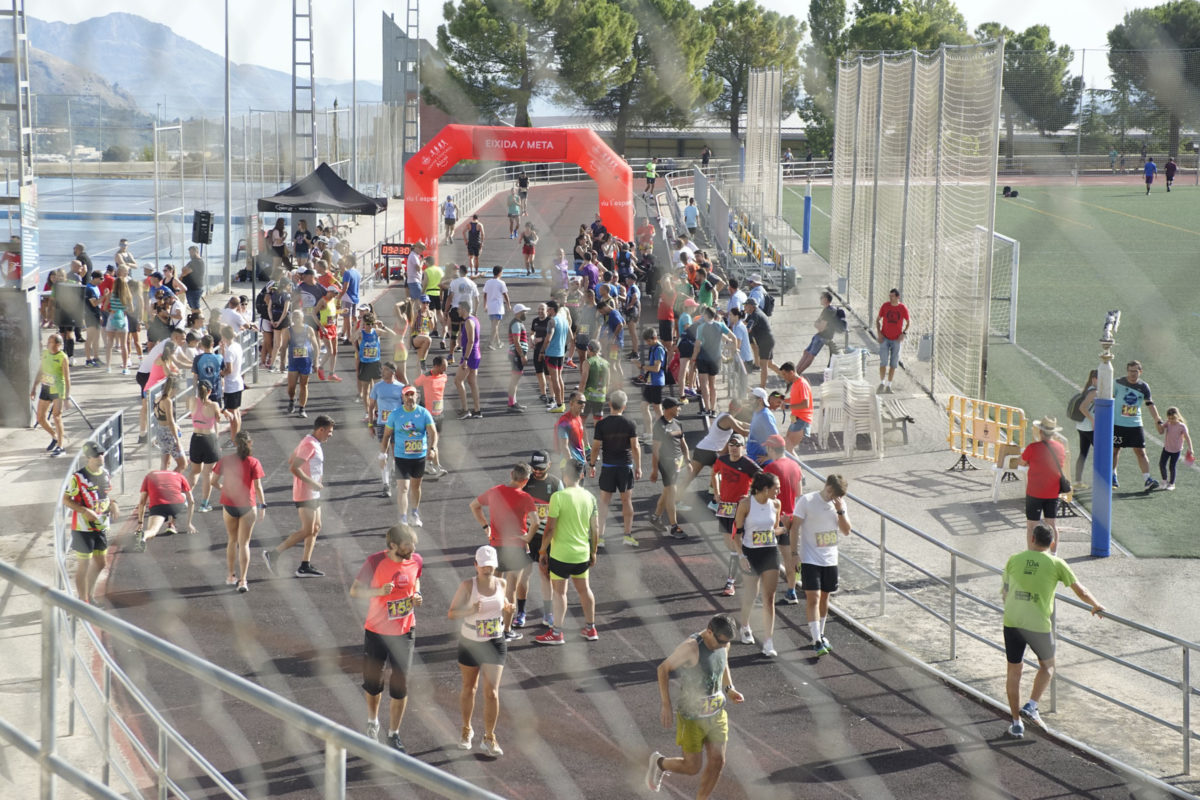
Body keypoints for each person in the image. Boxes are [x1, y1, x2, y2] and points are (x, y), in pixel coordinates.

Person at [1002, 523, 1104, 739]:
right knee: (1048, 666)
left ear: (1032, 539)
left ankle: (1016, 723)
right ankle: (1031, 706)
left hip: (1012, 621)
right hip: (1038, 624)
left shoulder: (1014, 559)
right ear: (1052, 543)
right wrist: (1096, 605)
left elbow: (1005, 592)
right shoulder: (1057, 563)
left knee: (1014, 672)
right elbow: (1081, 590)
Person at [646, 613, 744, 798]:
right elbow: (663, 669)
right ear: (709, 632)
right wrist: (666, 705)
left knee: (718, 761)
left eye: (726, 643)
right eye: (721, 642)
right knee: (692, 767)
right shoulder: (691, 648)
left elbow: (723, 663)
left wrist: (730, 689)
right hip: (692, 717)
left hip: (716, 713)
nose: (724, 646)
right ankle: (659, 763)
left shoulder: (724, 641)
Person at [349, 523, 423, 753]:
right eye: (407, 545)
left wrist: (417, 594)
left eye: (413, 545)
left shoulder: (416, 560)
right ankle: (372, 723)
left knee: (400, 685)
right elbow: (354, 591)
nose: (412, 549)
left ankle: (394, 734)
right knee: (373, 684)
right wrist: (378, 592)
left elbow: (416, 579)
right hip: (377, 631)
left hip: (404, 631)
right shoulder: (374, 562)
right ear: (393, 545)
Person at [447, 545, 512, 757]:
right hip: (471, 641)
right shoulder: (468, 586)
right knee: (469, 688)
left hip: (494, 641)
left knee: (492, 692)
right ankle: (466, 729)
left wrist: (510, 609)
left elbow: (506, 606)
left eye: (490, 566)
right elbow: (452, 613)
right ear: (476, 565)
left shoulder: (502, 583)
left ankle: (489, 736)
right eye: (483, 566)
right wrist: (471, 610)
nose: (487, 569)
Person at [534, 460, 601, 645]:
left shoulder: (559, 497)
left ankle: (556, 632)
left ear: (565, 475)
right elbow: (595, 528)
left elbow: (549, 528)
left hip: (561, 554)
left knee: (559, 593)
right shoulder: (590, 497)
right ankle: (590, 628)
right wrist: (593, 551)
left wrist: (541, 551)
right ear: (582, 475)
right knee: (584, 590)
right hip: (582, 554)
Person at [470, 464, 539, 641]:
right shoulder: (525, 497)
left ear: (511, 474)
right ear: (525, 480)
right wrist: (527, 538)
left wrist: (486, 527)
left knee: (493, 586)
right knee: (511, 589)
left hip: (496, 546)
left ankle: (490, 624)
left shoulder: (495, 491)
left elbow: (474, 506)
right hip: (516, 547)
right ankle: (507, 630)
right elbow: (536, 522)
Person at [265, 415, 336, 578]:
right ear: (321, 429)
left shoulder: (311, 442)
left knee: (316, 528)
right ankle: (273, 554)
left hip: (313, 492)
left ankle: (305, 565)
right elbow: (293, 467)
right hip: (305, 492)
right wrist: (312, 482)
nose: (331, 435)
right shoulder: (309, 444)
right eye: (329, 431)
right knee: (307, 530)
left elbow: (292, 459)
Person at [790, 473, 852, 656]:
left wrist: (840, 510)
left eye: (837, 496)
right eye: (832, 493)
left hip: (830, 558)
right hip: (810, 557)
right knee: (813, 597)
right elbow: (794, 528)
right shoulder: (807, 501)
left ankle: (820, 633)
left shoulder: (839, 504)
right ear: (827, 486)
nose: (832, 497)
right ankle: (817, 640)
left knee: (825, 598)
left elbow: (847, 531)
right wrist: (794, 554)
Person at [732, 472, 784, 656]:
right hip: (750, 554)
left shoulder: (776, 504)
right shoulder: (746, 504)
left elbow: (774, 529)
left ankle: (768, 641)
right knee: (751, 594)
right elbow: (736, 534)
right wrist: (741, 556)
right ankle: (745, 625)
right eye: (776, 488)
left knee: (769, 598)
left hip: (770, 552)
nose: (779, 491)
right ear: (765, 489)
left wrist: (786, 528)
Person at [62, 442, 119, 604]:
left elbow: (105, 496)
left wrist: (113, 503)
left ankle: (90, 595)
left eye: (102, 454)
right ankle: (83, 600)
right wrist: (84, 511)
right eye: (96, 455)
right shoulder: (77, 477)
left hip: (101, 526)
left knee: (101, 563)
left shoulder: (105, 473)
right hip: (82, 528)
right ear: (88, 458)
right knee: (84, 565)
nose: (100, 457)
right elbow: (66, 500)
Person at [211, 431, 267, 592]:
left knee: (232, 541)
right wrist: (263, 505)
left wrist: (224, 489)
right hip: (247, 506)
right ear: (249, 443)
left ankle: (230, 576)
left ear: (235, 444)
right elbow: (258, 487)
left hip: (229, 504)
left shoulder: (226, 460)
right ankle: (243, 581)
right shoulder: (253, 462)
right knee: (244, 544)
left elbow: (213, 481)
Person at [589, 390, 642, 548]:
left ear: (610, 404)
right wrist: (638, 467)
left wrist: (592, 465)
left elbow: (596, 447)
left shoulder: (602, 424)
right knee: (627, 501)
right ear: (624, 406)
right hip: (625, 467)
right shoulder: (630, 423)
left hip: (608, 467)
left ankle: (600, 538)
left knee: (604, 503)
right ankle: (627, 535)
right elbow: (635, 446)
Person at [380, 384, 439, 526]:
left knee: (415, 487)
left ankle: (414, 513)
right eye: (407, 395)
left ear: (417, 396)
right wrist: (383, 455)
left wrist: (432, 449)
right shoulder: (395, 414)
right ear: (402, 397)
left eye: (412, 394)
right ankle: (403, 518)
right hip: (401, 457)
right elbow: (386, 436)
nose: (409, 398)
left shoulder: (424, 413)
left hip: (418, 457)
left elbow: (433, 433)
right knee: (403, 488)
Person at [712, 435, 761, 597]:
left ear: (743, 447)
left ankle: (730, 581)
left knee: (735, 544)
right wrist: (717, 492)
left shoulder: (748, 464)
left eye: (737, 445)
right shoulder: (723, 460)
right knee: (729, 543)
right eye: (731, 444)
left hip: (740, 509)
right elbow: (714, 473)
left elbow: (762, 480)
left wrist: (749, 498)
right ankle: (741, 564)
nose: (733, 447)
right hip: (725, 507)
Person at [518, 450, 562, 628]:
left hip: (546, 537)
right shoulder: (524, 482)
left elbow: (562, 509)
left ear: (549, 466)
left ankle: (548, 613)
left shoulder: (555, 483)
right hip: (527, 537)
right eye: (534, 468)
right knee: (523, 576)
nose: (537, 471)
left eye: (541, 468)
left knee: (545, 575)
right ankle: (520, 612)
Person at [762, 434, 803, 604]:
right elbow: (799, 494)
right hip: (791, 517)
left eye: (767, 448)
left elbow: (763, 497)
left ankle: (764, 594)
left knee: (765, 557)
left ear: (772, 448)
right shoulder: (795, 466)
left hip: (773, 518)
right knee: (790, 556)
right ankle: (792, 590)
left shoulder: (770, 468)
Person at [1113, 360, 1165, 491]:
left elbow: (1150, 404)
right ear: (1127, 371)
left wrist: (1157, 420)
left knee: (1141, 452)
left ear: (1140, 372)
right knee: (1115, 451)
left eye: (1135, 371)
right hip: (1117, 424)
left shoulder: (1143, 387)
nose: (1132, 374)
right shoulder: (1118, 383)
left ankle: (1147, 479)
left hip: (1135, 424)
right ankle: (1112, 475)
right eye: (1130, 371)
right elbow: (1108, 400)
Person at [1020, 416, 1069, 554]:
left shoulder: (1032, 447)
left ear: (1040, 432)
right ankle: (1053, 554)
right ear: (1053, 433)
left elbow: (1021, 462)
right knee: (1052, 524)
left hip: (1034, 492)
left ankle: (1031, 553)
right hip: (1053, 492)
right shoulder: (1060, 448)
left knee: (1031, 525)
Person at [648, 397, 690, 540]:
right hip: (666, 464)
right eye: (677, 406)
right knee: (672, 491)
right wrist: (654, 470)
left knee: (667, 491)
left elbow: (683, 443)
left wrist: (688, 460)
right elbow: (655, 450)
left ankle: (655, 517)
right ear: (668, 408)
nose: (679, 409)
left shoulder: (678, 423)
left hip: (677, 463)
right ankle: (674, 526)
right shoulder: (659, 426)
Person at [133, 468, 196, 552]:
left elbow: (142, 502)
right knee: (183, 496)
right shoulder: (179, 475)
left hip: (158, 505)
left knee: (152, 531)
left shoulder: (149, 476)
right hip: (176, 505)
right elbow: (191, 501)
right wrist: (189, 523)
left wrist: (140, 523)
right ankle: (171, 523)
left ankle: (143, 537)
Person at [370, 363, 408, 495]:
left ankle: (393, 473)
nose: (382, 372)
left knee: (396, 454)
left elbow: (406, 407)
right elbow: (371, 407)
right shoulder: (377, 386)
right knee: (383, 454)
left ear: (393, 372)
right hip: (382, 424)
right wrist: (370, 424)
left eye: (385, 370)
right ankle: (385, 483)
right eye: (382, 369)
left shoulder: (401, 387)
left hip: (397, 425)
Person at [31, 332, 71, 456]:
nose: (48, 344)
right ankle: (54, 436)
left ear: (58, 344)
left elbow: (67, 377)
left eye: (50, 342)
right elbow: (40, 371)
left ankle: (60, 446)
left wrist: (66, 397)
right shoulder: (45, 354)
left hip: (58, 390)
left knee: (57, 417)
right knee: (40, 418)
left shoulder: (62, 357)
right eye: (48, 342)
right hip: (46, 388)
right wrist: (34, 387)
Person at [186, 381, 222, 513]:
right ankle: (204, 504)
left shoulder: (192, 401)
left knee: (194, 471)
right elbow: (218, 419)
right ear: (210, 391)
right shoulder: (214, 405)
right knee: (208, 474)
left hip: (196, 439)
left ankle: (185, 498)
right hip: (209, 440)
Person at [280, 310, 320, 417]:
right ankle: (292, 400)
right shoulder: (288, 331)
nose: (296, 319)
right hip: (293, 362)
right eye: (294, 317)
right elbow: (283, 347)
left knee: (304, 385)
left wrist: (316, 362)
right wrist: (282, 362)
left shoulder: (308, 330)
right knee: (291, 386)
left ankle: (302, 408)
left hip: (306, 362)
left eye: (298, 316)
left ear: (302, 318)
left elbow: (315, 346)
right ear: (292, 319)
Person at [794, 291, 842, 375]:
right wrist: (817, 324)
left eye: (821, 298)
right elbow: (817, 323)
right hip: (819, 335)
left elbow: (820, 327)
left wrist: (817, 324)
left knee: (810, 355)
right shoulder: (827, 309)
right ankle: (795, 371)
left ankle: (797, 373)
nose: (820, 299)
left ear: (826, 299)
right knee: (806, 352)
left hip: (823, 336)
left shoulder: (829, 311)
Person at [876, 288, 909, 393]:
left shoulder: (902, 308)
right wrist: (879, 333)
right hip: (885, 337)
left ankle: (889, 385)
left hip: (896, 339)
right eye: (890, 296)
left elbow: (908, 322)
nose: (890, 298)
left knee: (893, 364)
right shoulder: (885, 306)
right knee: (883, 362)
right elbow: (878, 320)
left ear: (898, 297)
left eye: (893, 296)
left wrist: (903, 333)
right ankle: (882, 383)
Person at [454, 300, 483, 419]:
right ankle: (477, 410)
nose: (458, 311)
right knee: (472, 382)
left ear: (464, 309)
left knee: (458, 381)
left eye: (459, 308)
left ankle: (465, 409)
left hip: (470, 355)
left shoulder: (468, 322)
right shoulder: (474, 319)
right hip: (476, 354)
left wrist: (465, 359)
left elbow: (471, 341)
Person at [151, 376, 187, 472]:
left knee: (165, 464)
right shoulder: (167, 401)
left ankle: (162, 483)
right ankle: (170, 482)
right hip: (168, 433)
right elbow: (170, 422)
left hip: (160, 431)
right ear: (173, 388)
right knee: (183, 464)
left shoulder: (157, 399)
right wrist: (177, 440)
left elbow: (160, 417)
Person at [543, 299, 571, 413]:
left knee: (554, 379)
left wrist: (541, 351)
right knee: (559, 378)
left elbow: (548, 338)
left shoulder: (552, 321)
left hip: (552, 353)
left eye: (546, 309)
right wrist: (563, 345)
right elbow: (571, 337)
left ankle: (559, 404)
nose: (546, 311)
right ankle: (562, 403)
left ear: (551, 309)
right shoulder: (563, 319)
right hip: (560, 352)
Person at [741, 296, 775, 390]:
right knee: (770, 364)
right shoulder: (753, 314)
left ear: (751, 306)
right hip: (768, 340)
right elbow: (745, 323)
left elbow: (748, 328)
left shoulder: (755, 315)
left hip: (765, 342)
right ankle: (787, 378)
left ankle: (762, 388)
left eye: (746, 306)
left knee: (763, 365)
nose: (744, 307)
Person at [219, 325, 246, 441]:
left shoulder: (230, 350)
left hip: (231, 385)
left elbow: (228, 370)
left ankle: (234, 439)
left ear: (224, 336)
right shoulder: (237, 346)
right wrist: (223, 351)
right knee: (237, 412)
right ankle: (237, 437)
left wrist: (220, 374)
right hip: (238, 382)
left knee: (232, 414)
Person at [1072, 370, 1098, 488]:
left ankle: (1078, 481)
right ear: (1094, 379)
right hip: (1088, 427)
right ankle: (1098, 481)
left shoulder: (1088, 389)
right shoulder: (1093, 392)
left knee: (1083, 453)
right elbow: (1083, 407)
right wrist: (1093, 420)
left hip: (1081, 426)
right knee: (1100, 454)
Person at [1159, 407, 1192, 491]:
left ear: (1177, 416)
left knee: (1172, 466)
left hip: (1176, 450)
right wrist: (1159, 422)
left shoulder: (1182, 426)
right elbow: (1161, 429)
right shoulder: (1168, 423)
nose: (1171, 420)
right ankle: (1164, 480)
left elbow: (1187, 437)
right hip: (1166, 448)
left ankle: (1172, 483)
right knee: (1162, 464)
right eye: (1169, 418)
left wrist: (1190, 448)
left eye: (1173, 418)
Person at [482, 265, 510, 350]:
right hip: (498, 307)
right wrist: (508, 304)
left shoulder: (488, 282)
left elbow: (485, 295)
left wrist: (485, 305)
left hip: (490, 307)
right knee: (495, 326)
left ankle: (498, 342)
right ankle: (491, 343)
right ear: (499, 273)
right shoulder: (501, 283)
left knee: (494, 325)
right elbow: (505, 294)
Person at [180, 246, 206, 310]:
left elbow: (185, 271)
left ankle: (199, 319)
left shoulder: (198, 262)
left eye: (192, 252)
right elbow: (183, 269)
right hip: (190, 289)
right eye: (190, 253)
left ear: (197, 252)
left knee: (196, 308)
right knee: (192, 307)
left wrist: (183, 273)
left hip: (194, 289)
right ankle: (195, 319)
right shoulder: (191, 262)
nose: (190, 254)